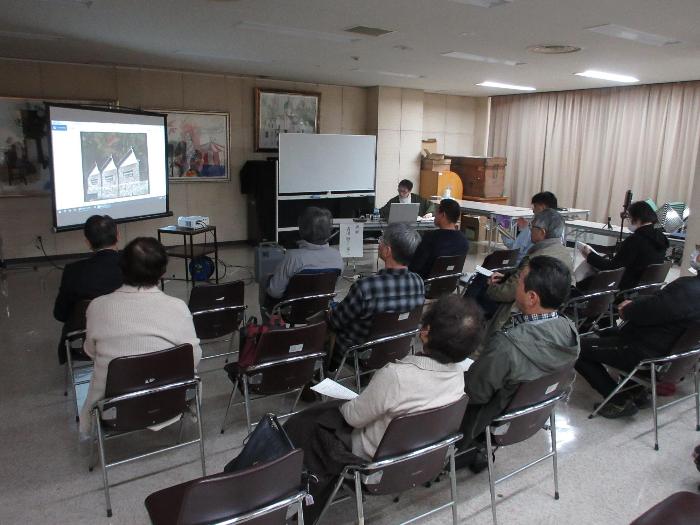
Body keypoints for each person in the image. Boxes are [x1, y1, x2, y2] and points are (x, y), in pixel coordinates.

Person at [285, 294, 485, 523]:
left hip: (374, 464)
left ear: (425, 332)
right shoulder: (459, 379)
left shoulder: (397, 375)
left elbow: (353, 418)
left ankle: (297, 500)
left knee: (307, 423)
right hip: (421, 460)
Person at [459, 256, 579, 462]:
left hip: (487, 421)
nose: (514, 284)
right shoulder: (569, 329)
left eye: (519, 280)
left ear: (532, 297)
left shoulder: (507, 346)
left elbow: (473, 393)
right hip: (530, 414)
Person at [78, 237, 201, 436]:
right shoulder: (177, 307)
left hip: (114, 408)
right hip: (170, 401)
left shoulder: (97, 306)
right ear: (163, 273)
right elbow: (193, 357)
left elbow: (90, 352)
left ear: (122, 268)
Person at [574, 247, 700, 418]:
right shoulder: (688, 289)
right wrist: (635, 304)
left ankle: (617, 400)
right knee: (607, 333)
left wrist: (629, 308)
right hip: (668, 349)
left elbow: (651, 311)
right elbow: (659, 304)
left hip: (646, 349)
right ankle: (635, 390)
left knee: (577, 348)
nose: (695, 253)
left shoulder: (688, 289)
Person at [328, 222, 425, 352]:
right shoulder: (418, 282)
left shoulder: (365, 287)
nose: (379, 243)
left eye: (381, 240)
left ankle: (327, 370)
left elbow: (336, 322)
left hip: (359, 353)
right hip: (397, 350)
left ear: (388, 251)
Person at [484, 208, 573, 336]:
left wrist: (491, 287)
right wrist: (509, 276)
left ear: (542, 232)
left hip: (518, 316)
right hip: (550, 313)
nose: (530, 229)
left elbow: (510, 293)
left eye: (532, 226)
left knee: (482, 290)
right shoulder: (565, 253)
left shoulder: (535, 260)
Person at [53, 214, 123, 364]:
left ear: (88, 242)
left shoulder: (74, 271)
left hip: (91, 335)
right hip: (132, 331)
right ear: (118, 235)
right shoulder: (134, 266)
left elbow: (60, 314)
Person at [261, 207, 343, 314]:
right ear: (329, 230)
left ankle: (269, 327)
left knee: (264, 280)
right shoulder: (337, 256)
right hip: (322, 309)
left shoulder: (292, 257)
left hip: (291, 312)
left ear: (302, 229)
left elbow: (275, 292)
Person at [578, 200, 669, 291]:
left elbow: (613, 268)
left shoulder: (636, 240)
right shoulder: (661, 237)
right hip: (646, 287)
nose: (628, 221)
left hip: (627, 286)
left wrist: (590, 256)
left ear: (637, 218)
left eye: (629, 218)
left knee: (584, 283)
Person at [408, 198, 469, 279]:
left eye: (436, 212)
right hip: (449, 284)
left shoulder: (431, 238)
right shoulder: (464, 241)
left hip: (425, 283)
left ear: (443, 215)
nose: (435, 215)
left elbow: (415, 267)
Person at [502, 191, 559, 264]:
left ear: (543, 207)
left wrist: (503, 229)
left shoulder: (535, 226)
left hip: (521, 266)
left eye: (535, 206)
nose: (533, 210)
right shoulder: (557, 225)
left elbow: (514, 248)